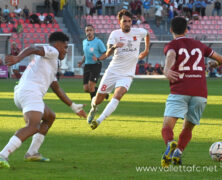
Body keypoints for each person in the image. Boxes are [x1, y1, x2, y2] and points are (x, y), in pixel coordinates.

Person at [0, 32, 87, 168]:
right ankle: (2, 155)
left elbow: (56, 87)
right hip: (30, 91)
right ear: (57, 45)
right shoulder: (52, 51)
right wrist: (17, 58)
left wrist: (73, 106)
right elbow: (33, 48)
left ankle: (32, 153)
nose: (66, 50)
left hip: (24, 92)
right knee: (33, 126)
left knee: (50, 117)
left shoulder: (52, 61)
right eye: (65, 47)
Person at [160, 17, 222, 167]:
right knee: (188, 127)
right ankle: (178, 153)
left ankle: (170, 144)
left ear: (171, 30)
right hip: (200, 93)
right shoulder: (199, 45)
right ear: (186, 30)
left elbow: (170, 55)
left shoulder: (172, 44)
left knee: (167, 126)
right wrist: (214, 64)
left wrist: (166, 70)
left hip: (180, 90)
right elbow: (221, 59)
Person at [87, 9, 150, 129]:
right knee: (98, 100)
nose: (127, 23)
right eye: (124, 21)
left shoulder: (138, 32)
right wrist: (115, 46)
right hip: (113, 72)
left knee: (118, 95)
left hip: (127, 74)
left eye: (129, 21)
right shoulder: (115, 34)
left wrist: (146, 50)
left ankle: (99, 120)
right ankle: (94, 108)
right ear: (119, 22)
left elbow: (147, 34)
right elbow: (108, 53)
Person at [78, 24, 107, 100]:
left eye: (90, 30)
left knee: (91, 86)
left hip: (96, 65)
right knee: (86, 88)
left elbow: (105, 54)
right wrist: (81, 62)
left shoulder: (98, 42)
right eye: (87, 30)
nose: (89, 32)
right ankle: (103, 93)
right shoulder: (84, 42)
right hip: (87, 65)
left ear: (94, 31)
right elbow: (86, 54)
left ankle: (94, 105)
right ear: (85, 32)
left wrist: (98, 59)